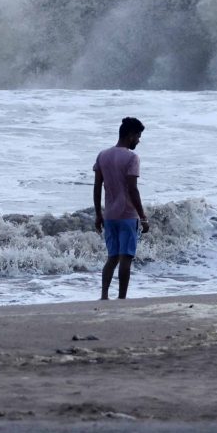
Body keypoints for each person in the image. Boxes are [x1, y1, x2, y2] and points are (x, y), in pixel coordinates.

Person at [93, 117, 149, 299]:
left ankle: (104, 296)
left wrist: (98, 214)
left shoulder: (103, 155)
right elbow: (132, 189)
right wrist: (143, 216)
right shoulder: (132, 157)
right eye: (138, 136)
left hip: (109, 215)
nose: (139, 141)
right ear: (130, 136)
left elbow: (97, 187)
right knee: (126, 258)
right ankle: (122, 298)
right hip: (127, 214)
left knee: (112, 258)